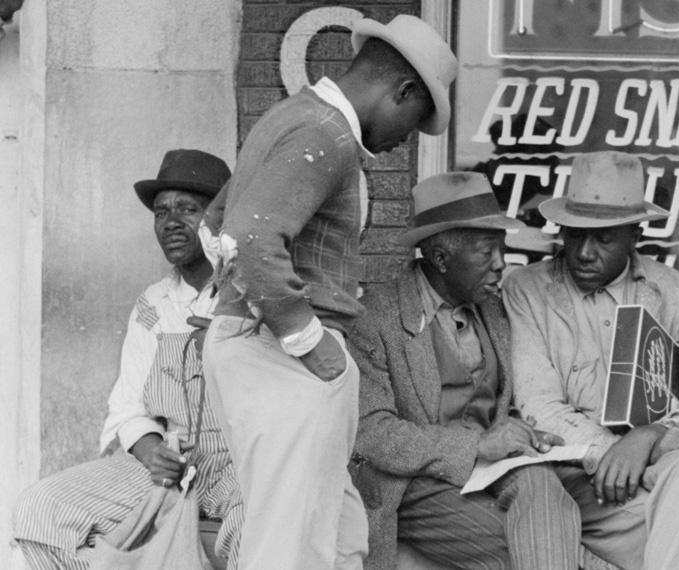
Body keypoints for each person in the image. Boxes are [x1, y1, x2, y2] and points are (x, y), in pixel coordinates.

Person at [202, 14, 457, 570]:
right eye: (412, 123)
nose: (400, 144)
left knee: (339, 542)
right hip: (284, 353)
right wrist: (306, 337)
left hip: (259, 343)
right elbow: (246, 237)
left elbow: (215, 222)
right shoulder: (328, 132)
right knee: (291, 551)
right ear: (403, 90)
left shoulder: (291, 117)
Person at [503, 151, 679, 570]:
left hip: (649, 476)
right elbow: (538, 408)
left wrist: (647, 438)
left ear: (635, 234)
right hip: (569, 479)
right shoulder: (527, 289)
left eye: (604, 238)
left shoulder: (672, 291)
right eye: (574, 235)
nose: (584, 253)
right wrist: (616, 451)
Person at [13, 149, 242, 570]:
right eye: (161, 212)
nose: (171, 222)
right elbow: (128, 406)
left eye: (188, 209)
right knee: (40, 508)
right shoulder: (152, 305)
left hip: (242, 462)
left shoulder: (251, 293)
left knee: (263, 522)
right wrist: (151, 449)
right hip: (172, 466)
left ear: (220, 218)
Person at [348, 172, 583, 570]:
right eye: (486, 252)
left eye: (502, 250)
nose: (500, 265)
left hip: (491, 472)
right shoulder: (375, 318)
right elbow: (371, 434)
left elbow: (497, 402)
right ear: (441, 258)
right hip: (414, 485)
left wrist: (523, 432)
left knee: (542, 486)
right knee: (522, 549)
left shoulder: (493, 310)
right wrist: (475, 447)